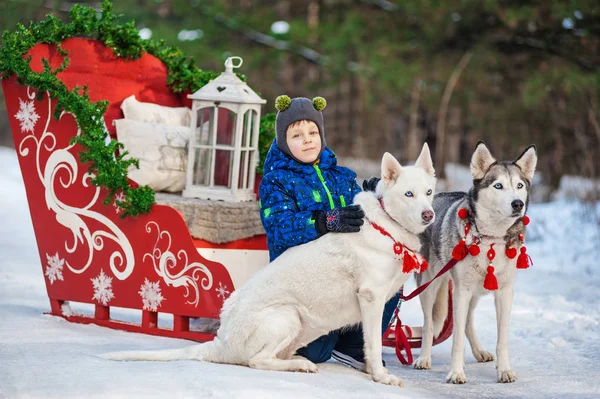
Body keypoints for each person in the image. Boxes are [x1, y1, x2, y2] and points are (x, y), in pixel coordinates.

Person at [258, 95, 400, 371]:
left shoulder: (341, 176)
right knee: (316, 353)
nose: (308, 139)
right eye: (297, 134)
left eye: (313, 132)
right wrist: (323, 221)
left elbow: (363, 216)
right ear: (283, 141)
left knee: (387, 276)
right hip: (304, 283)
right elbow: (278, 228)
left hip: (343, 273)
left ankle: (355, 346)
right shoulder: (276, 181)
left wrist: (375, 196)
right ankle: (326, 340)